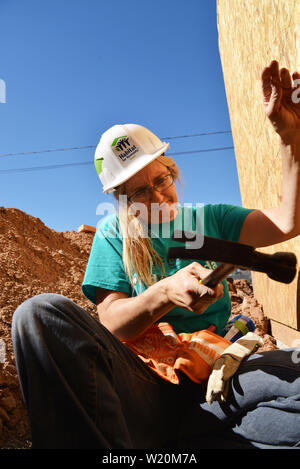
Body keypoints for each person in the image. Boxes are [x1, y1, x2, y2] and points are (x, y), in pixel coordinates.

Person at [12, 60, 300, 449]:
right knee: (36, 316)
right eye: (139, 191)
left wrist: (289, 135)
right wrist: (163, 293)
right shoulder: (113, 236)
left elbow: (286, 223)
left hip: (216, 373)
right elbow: (111, 322)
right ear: (122, 200)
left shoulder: (210, 219)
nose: (157, 195)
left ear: (172, 169)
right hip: (142, 386)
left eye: (160, 179)